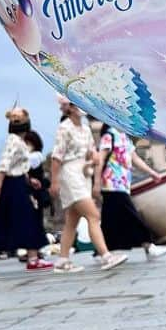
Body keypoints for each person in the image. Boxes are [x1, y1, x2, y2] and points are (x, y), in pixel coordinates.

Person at [51, 101, 127, 271]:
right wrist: (54, 181)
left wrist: (94, 160)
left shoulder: (85, 129)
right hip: (70, 174)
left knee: (72, 220)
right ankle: (106, 255)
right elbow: (57, 156)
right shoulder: (65, 127)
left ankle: (62, 260)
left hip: (83, 174)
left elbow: (92, 152)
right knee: (93, 215)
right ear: (69, 108)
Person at [0, 108, 52, 272]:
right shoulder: (14, 140)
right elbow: (3, 165)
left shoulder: (17, 140)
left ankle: (31, 258)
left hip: (18, 182)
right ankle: (31, 258)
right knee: (25, 218)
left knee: (11, 219)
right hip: (13, 185)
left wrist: (29, 179)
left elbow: (16, 165)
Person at [93, 125, 166, 258]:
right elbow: (100, 159)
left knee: (109, 218)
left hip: (123, 183)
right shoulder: (109, 136)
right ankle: (148, 245)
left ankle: (102, 251)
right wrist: (97, 183)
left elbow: (135, 158)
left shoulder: (125, 137)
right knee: (131, 214)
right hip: (111, 182)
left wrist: (152, 173)